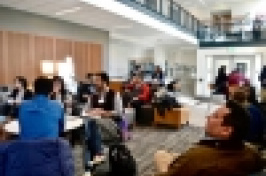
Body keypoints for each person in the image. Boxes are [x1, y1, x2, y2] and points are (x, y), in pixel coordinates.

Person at [154, 101, 263, 176]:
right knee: (168, 155)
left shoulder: (196, 158)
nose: (208, 117)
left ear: (226, 130)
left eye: (215, 116)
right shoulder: (252, 153)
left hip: (187, 168)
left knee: (160, 155)